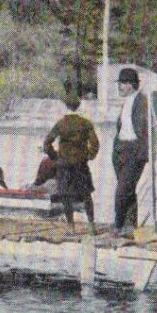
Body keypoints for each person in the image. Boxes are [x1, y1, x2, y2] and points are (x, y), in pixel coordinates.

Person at [42, 92, 99, 234]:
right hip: (81, 163)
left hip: (64, 165)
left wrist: (55, 156)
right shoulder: (86, 123)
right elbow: (95, 143)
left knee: (66, 195)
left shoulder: (60, 124)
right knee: (86, 194)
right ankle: (91, 225)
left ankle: (71, 227)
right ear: (79, 107)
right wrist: (90, 156)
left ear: (65, 106)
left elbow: (47, 143)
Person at [110, 67, 150, 236]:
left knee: (122, 190)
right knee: (129, 190)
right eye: (119, 83)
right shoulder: (127, 101)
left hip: (134, 151)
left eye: (122, 84)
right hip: (121, 150)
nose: (119, 87)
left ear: (131, 85)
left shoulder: (141, 101)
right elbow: (122, 128)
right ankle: (130, 226)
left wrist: (142, 154)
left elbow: (142, 130)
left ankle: (118, 225)